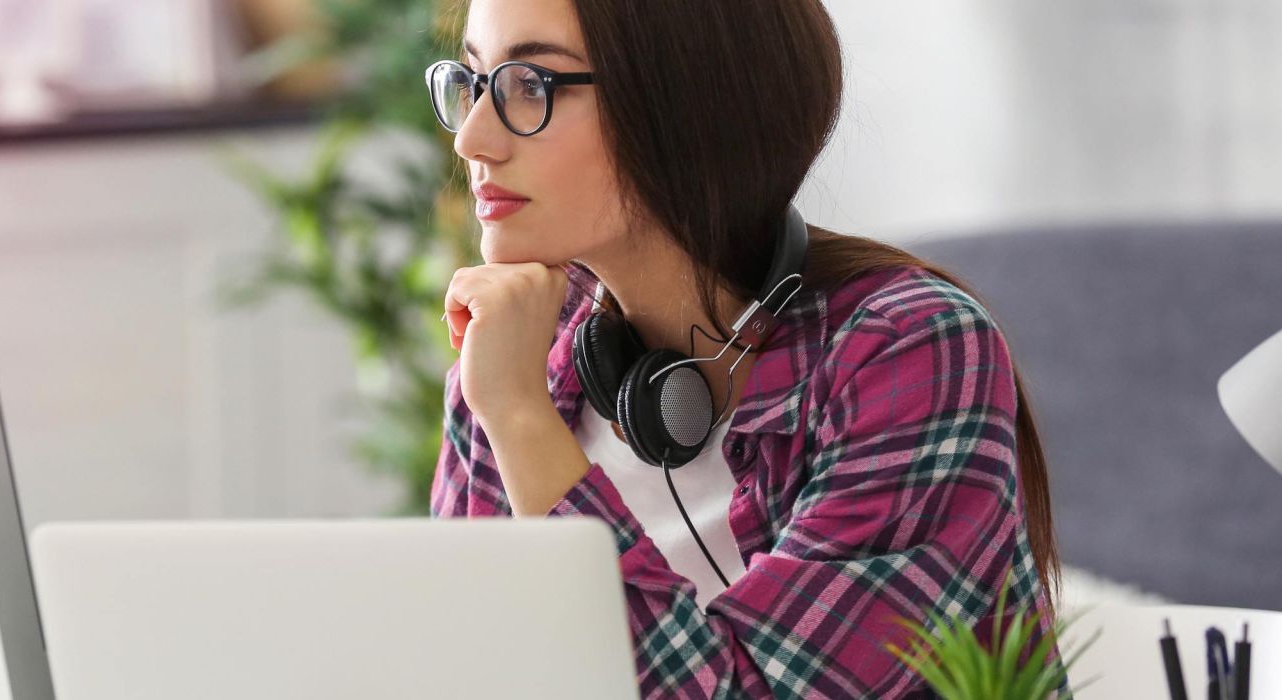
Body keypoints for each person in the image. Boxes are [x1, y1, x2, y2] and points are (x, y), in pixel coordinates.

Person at [428, 0, 1065, 696]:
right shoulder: (518, 355)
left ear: (687, 101)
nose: (473, 139)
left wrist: (523, 422)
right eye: (474, 80)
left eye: (530, 85)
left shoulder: (907, 352)